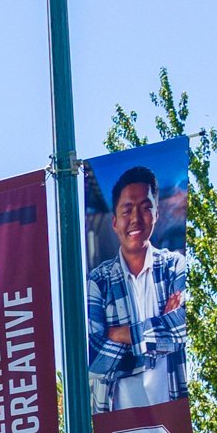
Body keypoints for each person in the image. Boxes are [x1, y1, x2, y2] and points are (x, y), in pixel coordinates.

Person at [83, 160, 188, 411]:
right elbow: (95, 358)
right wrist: (161, 333)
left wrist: (118, 334)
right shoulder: (98, 281)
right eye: (127, 210)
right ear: (114, 221)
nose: (136, 219)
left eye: (145, 208)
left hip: (174, 403)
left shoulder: (175, 265)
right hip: (118, 416)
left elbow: (183, 329)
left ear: (156, 213)